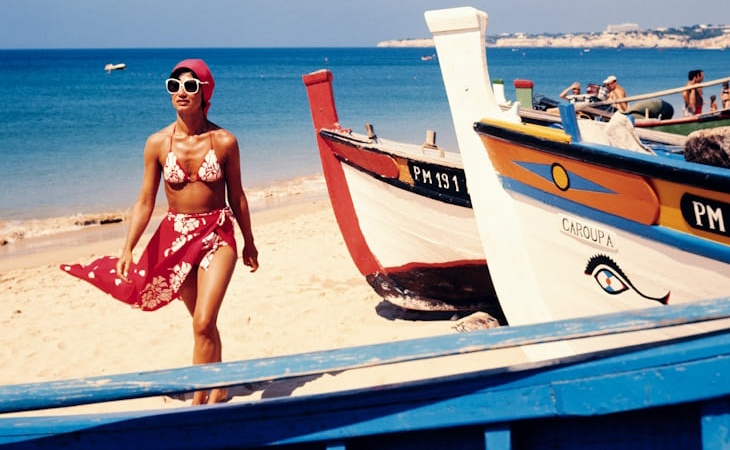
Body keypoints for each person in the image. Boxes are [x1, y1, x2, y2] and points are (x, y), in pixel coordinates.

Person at [61, 59, 259, 405]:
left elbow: (237, 196)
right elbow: (144, 202)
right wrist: (128, 247)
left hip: (217, 233)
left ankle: (199, 403)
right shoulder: (156, 143)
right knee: (202, 323)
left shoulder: (225, 141)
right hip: (176, 238)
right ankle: (220, 385)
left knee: (203, 321)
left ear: (204, 93)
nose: (181, 92)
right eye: (174, 86)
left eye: (190, 86)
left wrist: (249, 242)